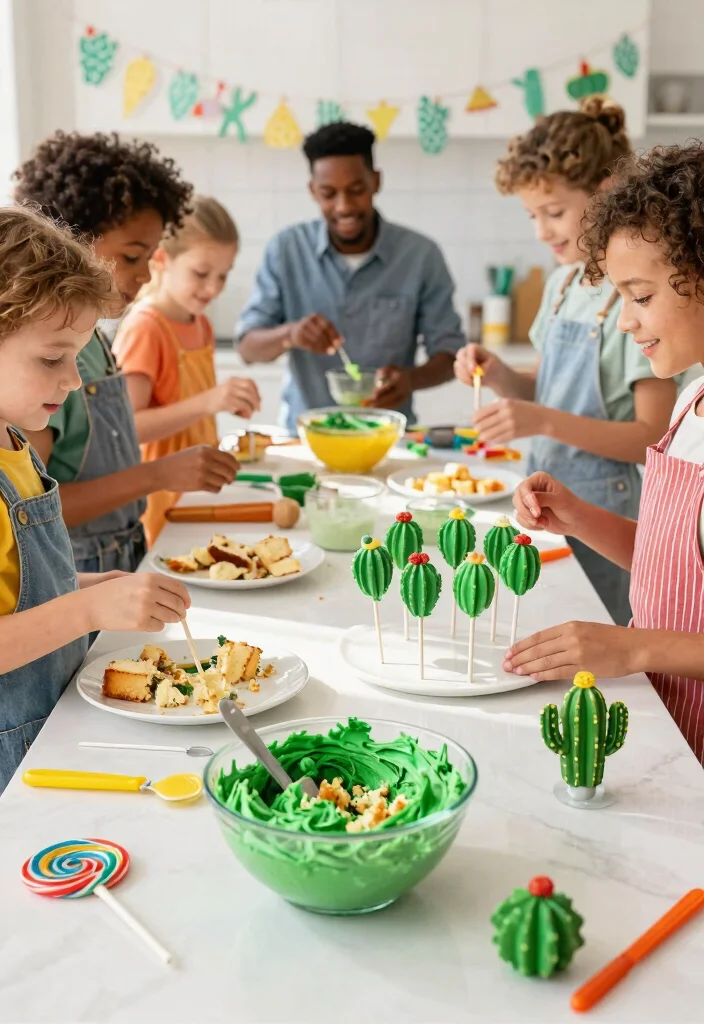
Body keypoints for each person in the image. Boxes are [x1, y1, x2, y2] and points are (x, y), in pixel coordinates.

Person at [505, 143, 704, 764]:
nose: (623, 321)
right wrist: (576, 518)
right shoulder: (691, 400)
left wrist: (635, 648)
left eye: (640, 297)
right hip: (669, 727)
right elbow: (672, 562)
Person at [454, 99, 677, 626]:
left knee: (600, 629)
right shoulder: (562, 285)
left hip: (608, 510)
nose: (541, 231)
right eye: (532, 215)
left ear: (604, 193)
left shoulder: (632, 302)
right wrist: (499, 374)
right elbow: (546, 388)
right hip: (549, 498)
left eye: (553, 212)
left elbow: (651, 434)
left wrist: (545, 421)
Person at [0, 206, 190, 791]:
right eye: (53, 358)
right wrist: (83, 614)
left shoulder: (14, 442)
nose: (74, 380)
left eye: (77, 358)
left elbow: (16, 594)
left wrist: (89, 588)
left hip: (51, 730)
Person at [13, 132, 238, 571]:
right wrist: (157, 475)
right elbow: (34, 514)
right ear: (68, 239)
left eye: (150, 257)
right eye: (132, 257)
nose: (142, 276)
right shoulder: (46, 359)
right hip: (76, 568)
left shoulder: (92, 340)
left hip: (125, 556)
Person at [237, 121, 465, 435]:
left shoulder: (421, 256)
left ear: (376, 181)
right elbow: (247, 347)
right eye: (329, 194)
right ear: (312, 191)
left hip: (389, 440)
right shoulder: (286, 249)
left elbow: (452, 354)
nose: (344, 206)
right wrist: (291, 334)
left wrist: (411, 379)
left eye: (356, 190)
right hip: (305, 441)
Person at [113, 196, 261, 545]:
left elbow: (193, 408)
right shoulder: (145, 327)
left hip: (197, 491)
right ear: (162, 259)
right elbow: (127, 428)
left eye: (223, 275)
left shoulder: (201, 325)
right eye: (201, 273)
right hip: (160, 498)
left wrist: (222, 402)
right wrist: (209, 402)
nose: (213, 288)